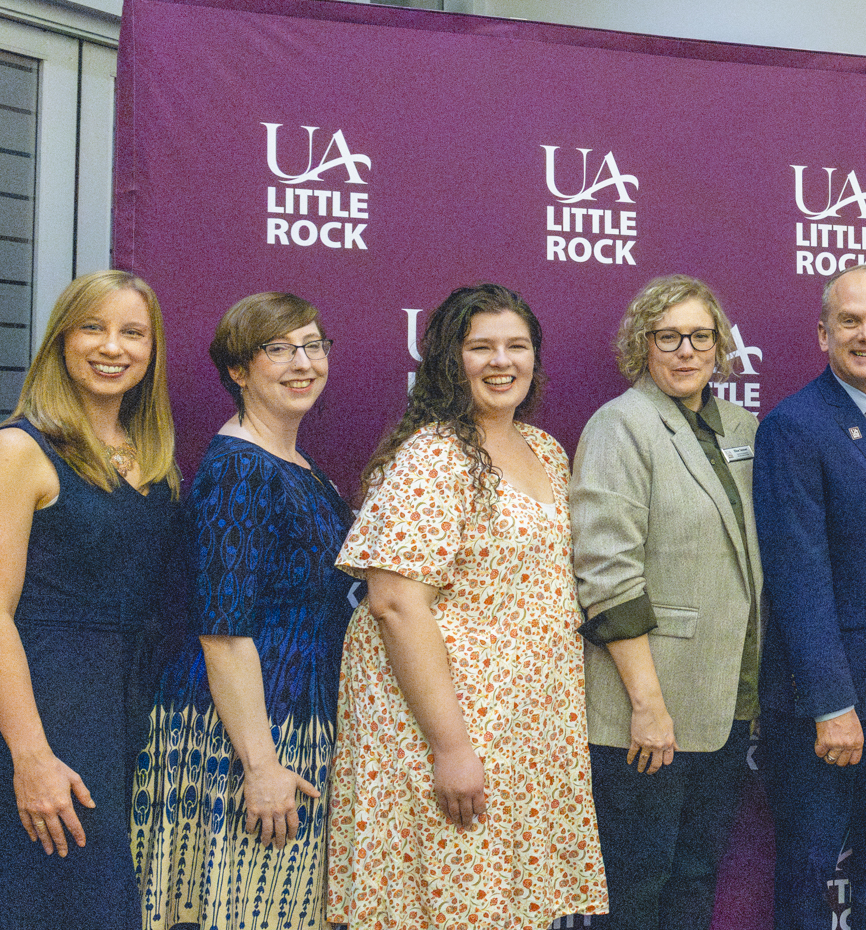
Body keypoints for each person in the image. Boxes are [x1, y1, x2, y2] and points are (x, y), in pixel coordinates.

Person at [328, 283, 607, 928]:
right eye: (480, 347)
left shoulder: (545, 451)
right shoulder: (433, 455)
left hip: (526, 731)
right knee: (452, 905)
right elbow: (395, 604)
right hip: (447, 728)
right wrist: (450, 747)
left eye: (517, 346)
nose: (501, 361)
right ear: (448, 361)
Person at [133, 292, 359, 929]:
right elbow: (223, 634)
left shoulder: (294, 461)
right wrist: (260, 767)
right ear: (238, 370)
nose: (302, 362)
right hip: (245, 737)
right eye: (278, 349)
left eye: (313, 345)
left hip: (294, 720)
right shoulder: (239, 469)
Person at [569, 275, 762, 929]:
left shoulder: (742, 427)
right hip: (647, 707)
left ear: (720, 347)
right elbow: (606, 572)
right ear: (642, 345)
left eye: (700, 336)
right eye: (668, 336)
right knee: (637, 886)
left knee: (695, 877)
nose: (685, 350)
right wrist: (647, 706)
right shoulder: (621, 425)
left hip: (725, 697)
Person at [753, 264, 866, 930]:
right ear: (823, 334)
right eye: (852, 321)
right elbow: (797, 576)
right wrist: (833, 705)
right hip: (824, 708)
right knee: (808, 877)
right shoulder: (792, 426)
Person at [0, 270, 181, 930]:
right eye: (93, 327)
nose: (113, 347)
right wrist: (31, 755)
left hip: (127, 705)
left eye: (133, 332)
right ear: (61, 341)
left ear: (152, 349)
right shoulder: (20, 450)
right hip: (52, 706)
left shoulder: (154, 458)